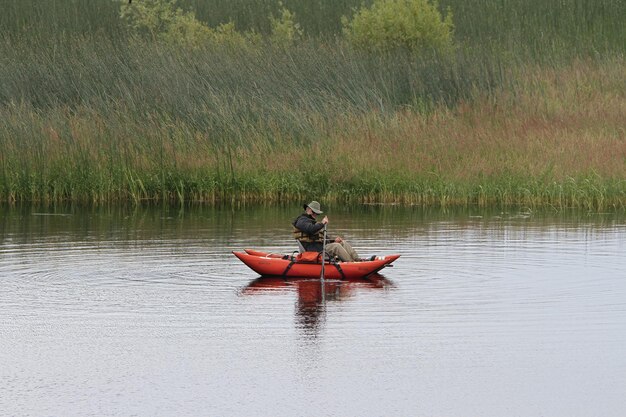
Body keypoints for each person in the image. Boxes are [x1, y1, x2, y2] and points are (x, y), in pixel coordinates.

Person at [292, 201, 364, 262]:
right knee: (336, 246)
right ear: (310, 210)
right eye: (315, 213)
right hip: (312, 250)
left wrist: (333, 240)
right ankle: (351, 263)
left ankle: (357, 260)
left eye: (317, 213)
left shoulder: (312, 222)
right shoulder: (301, 220)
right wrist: (322, 223)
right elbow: (310, 229)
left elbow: (323, 238)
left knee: (342, 243)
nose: (316, 215)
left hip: (319, 247)